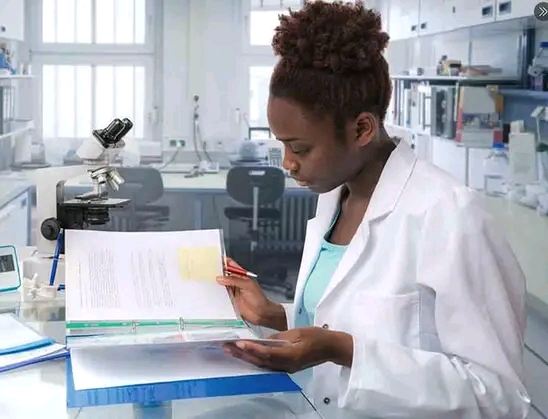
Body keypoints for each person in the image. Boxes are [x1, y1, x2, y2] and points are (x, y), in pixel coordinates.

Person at [216, 2, 531, 418]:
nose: (288, 163)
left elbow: (498, 397)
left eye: (300, 148)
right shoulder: (334, 198)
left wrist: (342, 350)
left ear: (362, 128)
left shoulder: (450, 217)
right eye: (282, 145)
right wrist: (275, 316)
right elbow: (350, 316)